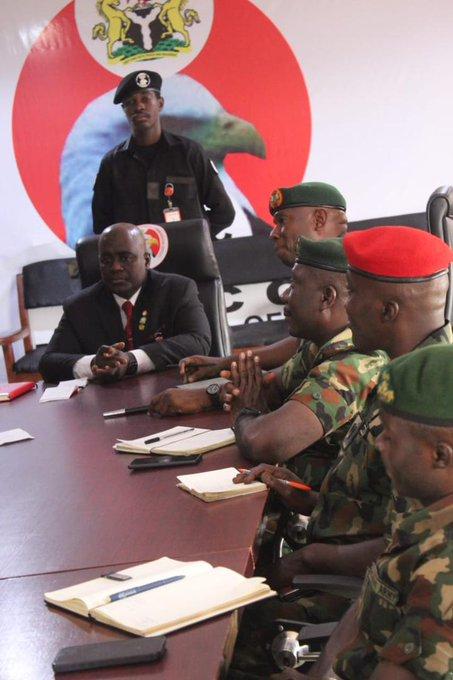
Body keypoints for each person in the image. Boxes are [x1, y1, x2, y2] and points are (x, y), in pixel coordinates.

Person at [227, 227, 453, 679]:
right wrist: (304, 496)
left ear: (388, 310)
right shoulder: (400, 373)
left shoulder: (429, 403)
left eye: (355, 294)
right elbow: (380, 516)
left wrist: (309, 559)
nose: (346, 308)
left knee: (230, 635)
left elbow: (396, 547)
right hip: (363, 597)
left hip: (364, 597)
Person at [149, 237, 387, 492]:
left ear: (326, 298)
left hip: (324, 506)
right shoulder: (319, 344)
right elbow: (271, 388)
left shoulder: (354, 363)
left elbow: (264, 442)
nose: (284, 296)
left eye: (294, 286)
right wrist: (214, 394)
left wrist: (244, 412)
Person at [278, 345, 453, 680]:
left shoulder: (442, 569)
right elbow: (368, 605)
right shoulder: (425, 520)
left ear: (440, 456)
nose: (379, 444)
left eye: (390, 438)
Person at [179, 181, 348, 383]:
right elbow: (302, 346)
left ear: (318, 220)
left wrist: (218, 388)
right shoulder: (327, 275)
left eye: (282, 221)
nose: (273, 233)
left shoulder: (355, 281)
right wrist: (224, 363)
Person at [39, 223, 211, 383]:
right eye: (106, 261)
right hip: (108, 399)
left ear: (146, 260)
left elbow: (198, 340)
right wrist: (93, 364)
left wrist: (132, 360)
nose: (115, 267)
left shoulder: (177, 290)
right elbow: (48, 363)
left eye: (125, 258)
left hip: (169, 388)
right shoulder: (79, 306)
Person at [92, 70, 235, 237]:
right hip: (138, 255)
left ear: (160, 104)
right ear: (124, 110)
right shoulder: (112, 164)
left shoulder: (190, 153)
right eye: (131, 102)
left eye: (146, 99)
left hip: (186, 254)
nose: (139, 106)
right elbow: (102, 225)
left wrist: (195, 240)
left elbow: (224, 212)